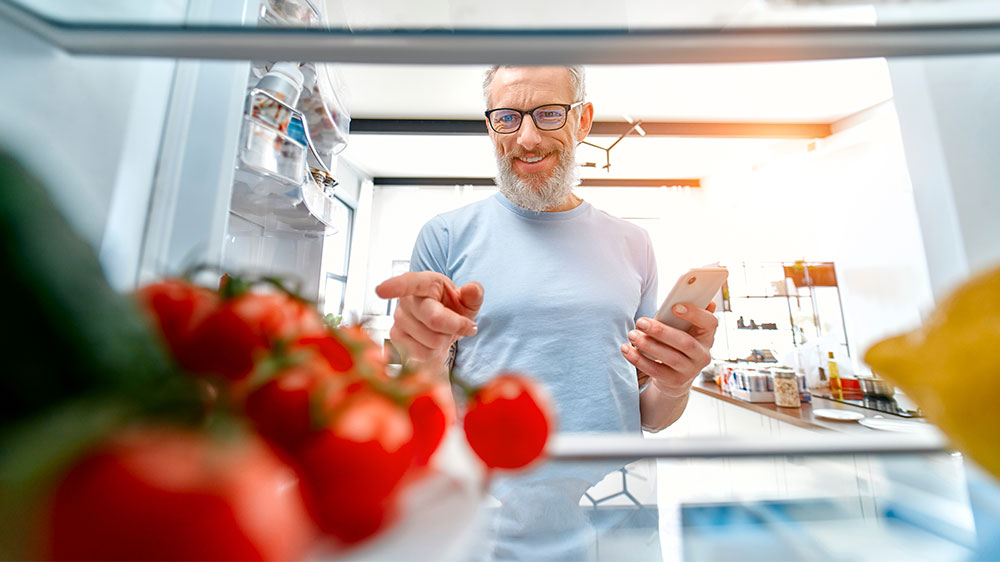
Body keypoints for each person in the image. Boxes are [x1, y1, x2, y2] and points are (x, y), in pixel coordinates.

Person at [375, 65, 718, 434]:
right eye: (507, 117)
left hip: (607, 483)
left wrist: (674, 384)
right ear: (492, 128)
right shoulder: (443, 234)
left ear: (582, 120)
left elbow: (649, 416)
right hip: (484, 482)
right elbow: (420, 398)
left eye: (549, 114)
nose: (527, 138)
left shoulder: (635, 243)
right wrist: (419, 360)